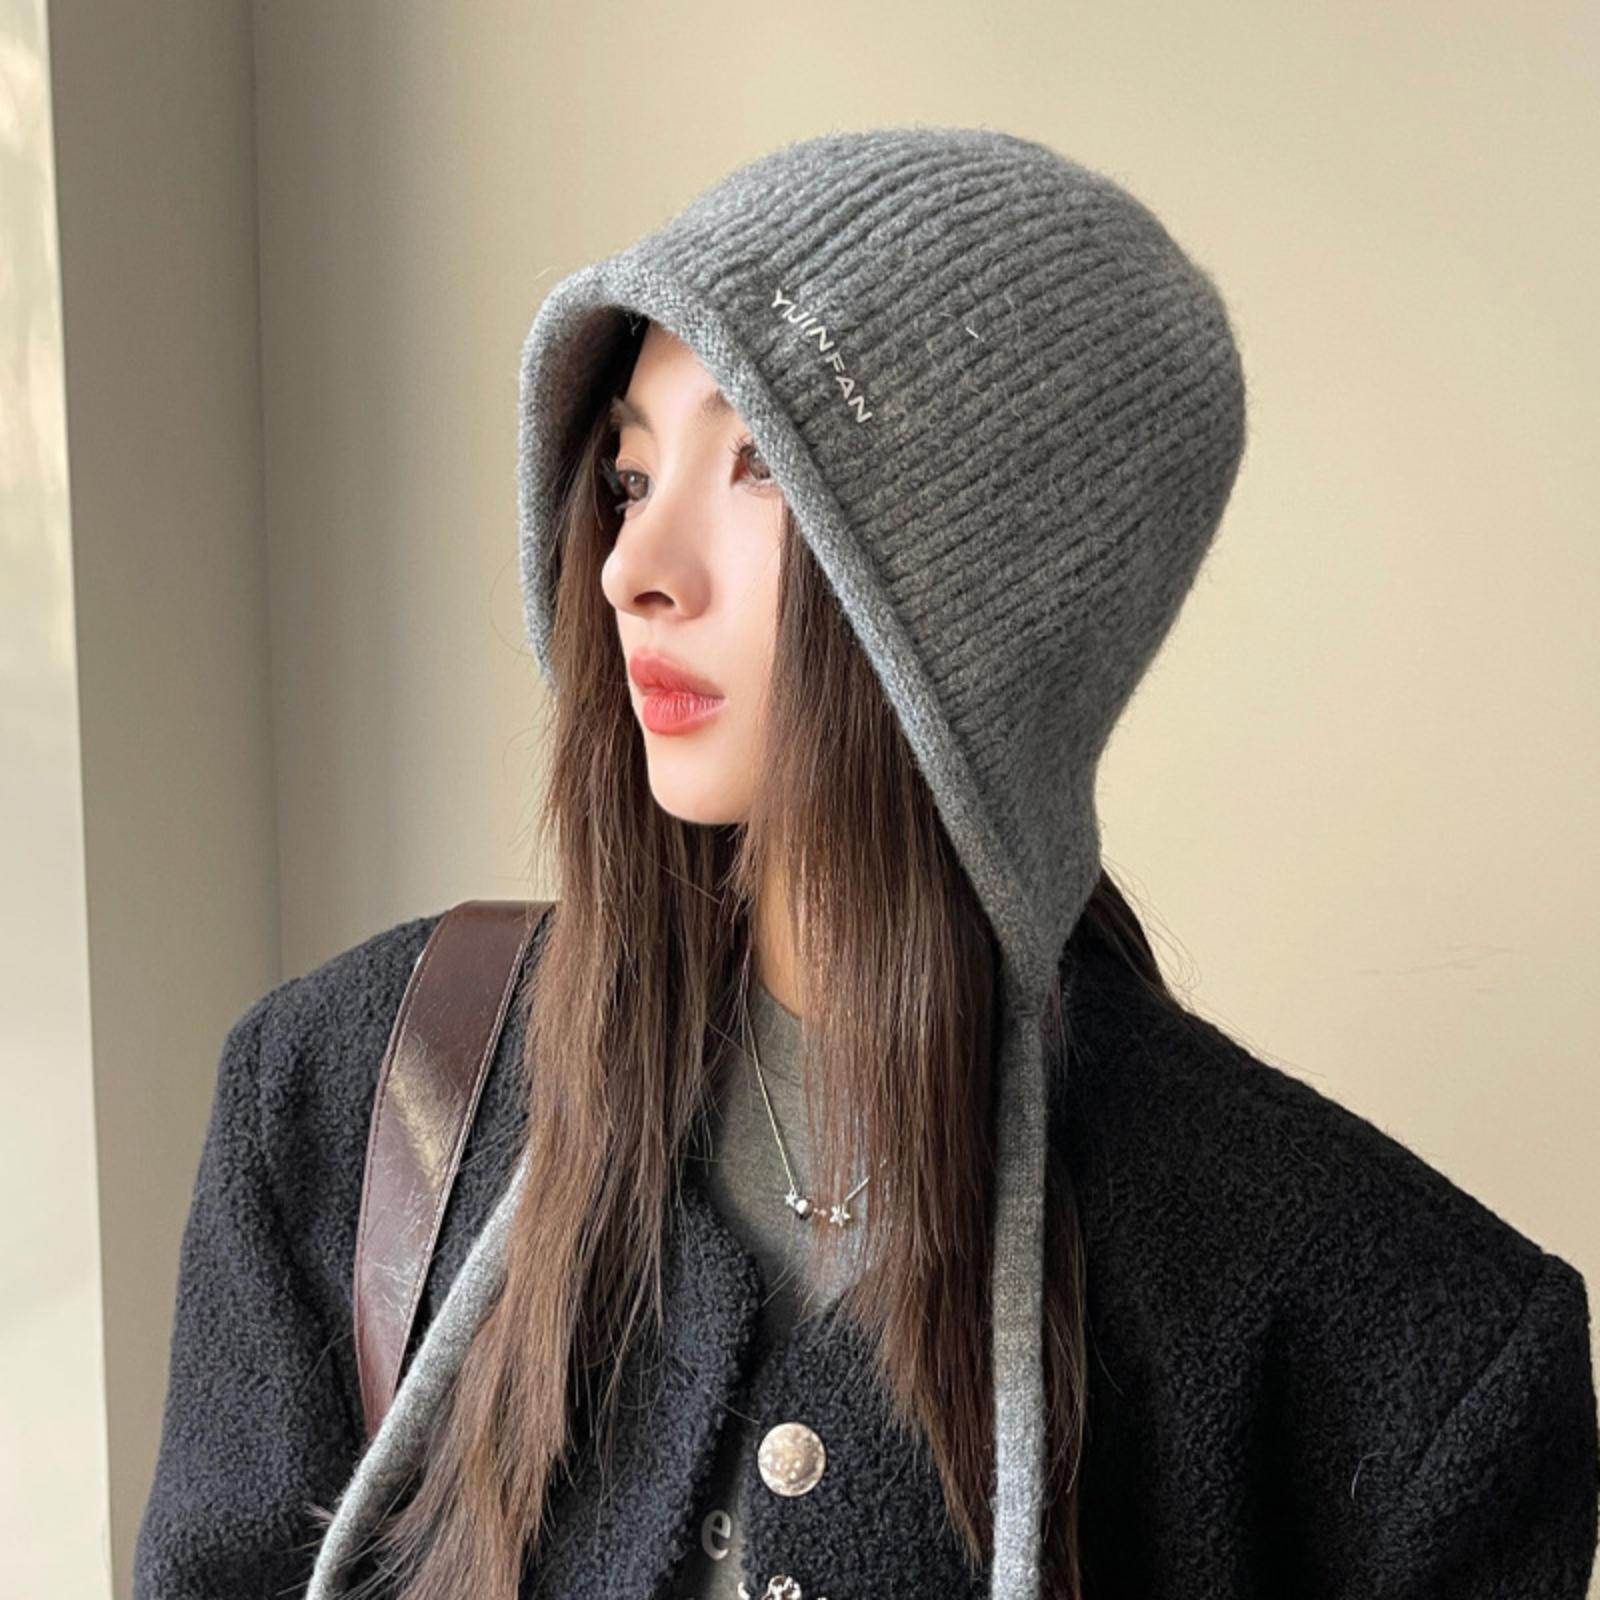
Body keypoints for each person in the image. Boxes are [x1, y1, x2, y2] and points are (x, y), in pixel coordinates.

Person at [134, 126, 1599, 1600]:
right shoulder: (348, 1108)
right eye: (630, 474)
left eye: (759, 464)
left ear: (994, 595)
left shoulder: (1401, 1358)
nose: (633, 567)